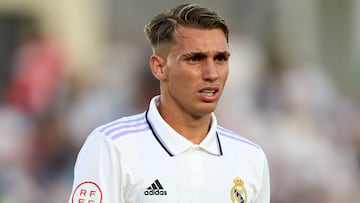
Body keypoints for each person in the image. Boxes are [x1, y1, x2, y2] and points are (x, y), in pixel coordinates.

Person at [68, 3, 270, 203]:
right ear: (159, 67)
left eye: (220, 58)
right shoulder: (111, 147)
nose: (211, 73)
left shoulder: (250, 157)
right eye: (195, 59)